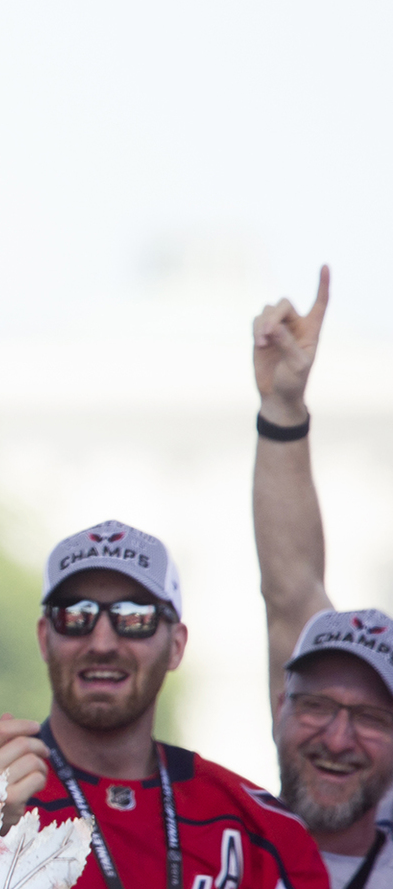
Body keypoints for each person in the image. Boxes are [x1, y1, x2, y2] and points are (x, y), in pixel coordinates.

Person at [0, 522, 329, 889]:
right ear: (45, 638)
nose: (102, 643)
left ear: (176, 645)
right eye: (75, 615)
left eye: (134, 617)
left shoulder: (261, 832)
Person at [251, 267, 393, 888]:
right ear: (280, 705)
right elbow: (290, 589)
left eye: (371, 718)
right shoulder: (216, 852)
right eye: (316, 705)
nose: (338, 737)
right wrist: (283, 407)